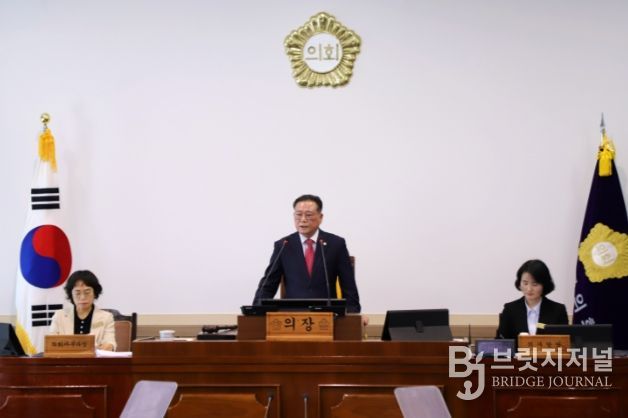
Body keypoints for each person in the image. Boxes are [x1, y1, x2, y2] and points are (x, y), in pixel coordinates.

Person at [253, 194, 361, 313]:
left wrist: (353, 313)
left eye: (308, 215)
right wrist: (256, 310)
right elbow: (269, 283)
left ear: (320, 217)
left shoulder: (336, 244)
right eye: (298, 214)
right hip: (292, 314)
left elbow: (348, 285)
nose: (303, 219)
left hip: (327, 313)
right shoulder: (283, 245)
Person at [496, 259, 568, 339]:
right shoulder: (510, 310)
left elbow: (565, 341)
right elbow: (500, 341)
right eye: (525, 283)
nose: (529, 289)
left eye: (535, 284)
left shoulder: (558, 310)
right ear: (519, 283)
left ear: (544, 285)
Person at [49, 270, 117, 351]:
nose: (82, 297)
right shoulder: (59, 316)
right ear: (71, 294)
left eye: (87, 292)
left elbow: (110, 343)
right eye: (77, 293)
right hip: (66, 359)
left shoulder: (106, 317)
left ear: (95, 293)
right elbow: (51, 344)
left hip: (94, 358)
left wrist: (107, 347)